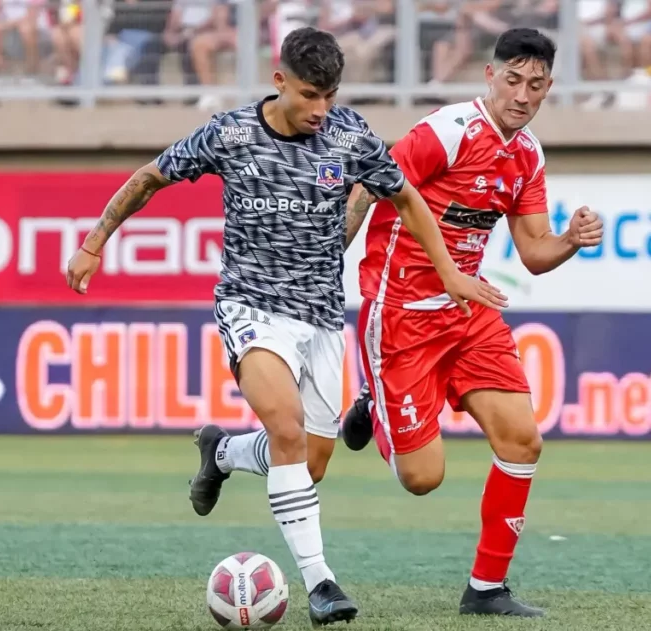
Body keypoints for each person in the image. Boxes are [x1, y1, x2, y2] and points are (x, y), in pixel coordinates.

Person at [64, 26, 506, 627]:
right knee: (290, 433)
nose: (321, 109)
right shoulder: (232, 134)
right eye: (309, 96)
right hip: (251, 307)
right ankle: (321, 583)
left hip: (322, 316)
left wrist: (450, 272)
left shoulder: (349, 135)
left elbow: (405, 198)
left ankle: (222, 452)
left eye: (330, 95)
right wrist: (94, 242)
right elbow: (149, 178)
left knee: (310, 461)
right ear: (280, 82)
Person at [339, 27, 604, 618]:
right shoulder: (447, 132)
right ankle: (374, 404)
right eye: (513, 79)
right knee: (422, 478)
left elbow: (534, 251)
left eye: (535, 85)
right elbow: (370, 184)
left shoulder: (527, 155)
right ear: (491, 75)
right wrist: (330, 255)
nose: (522, 93)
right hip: (402, 307)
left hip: (469, 309)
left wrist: (570, 240)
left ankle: (486, 589)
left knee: (523, 438)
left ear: (547, 88)